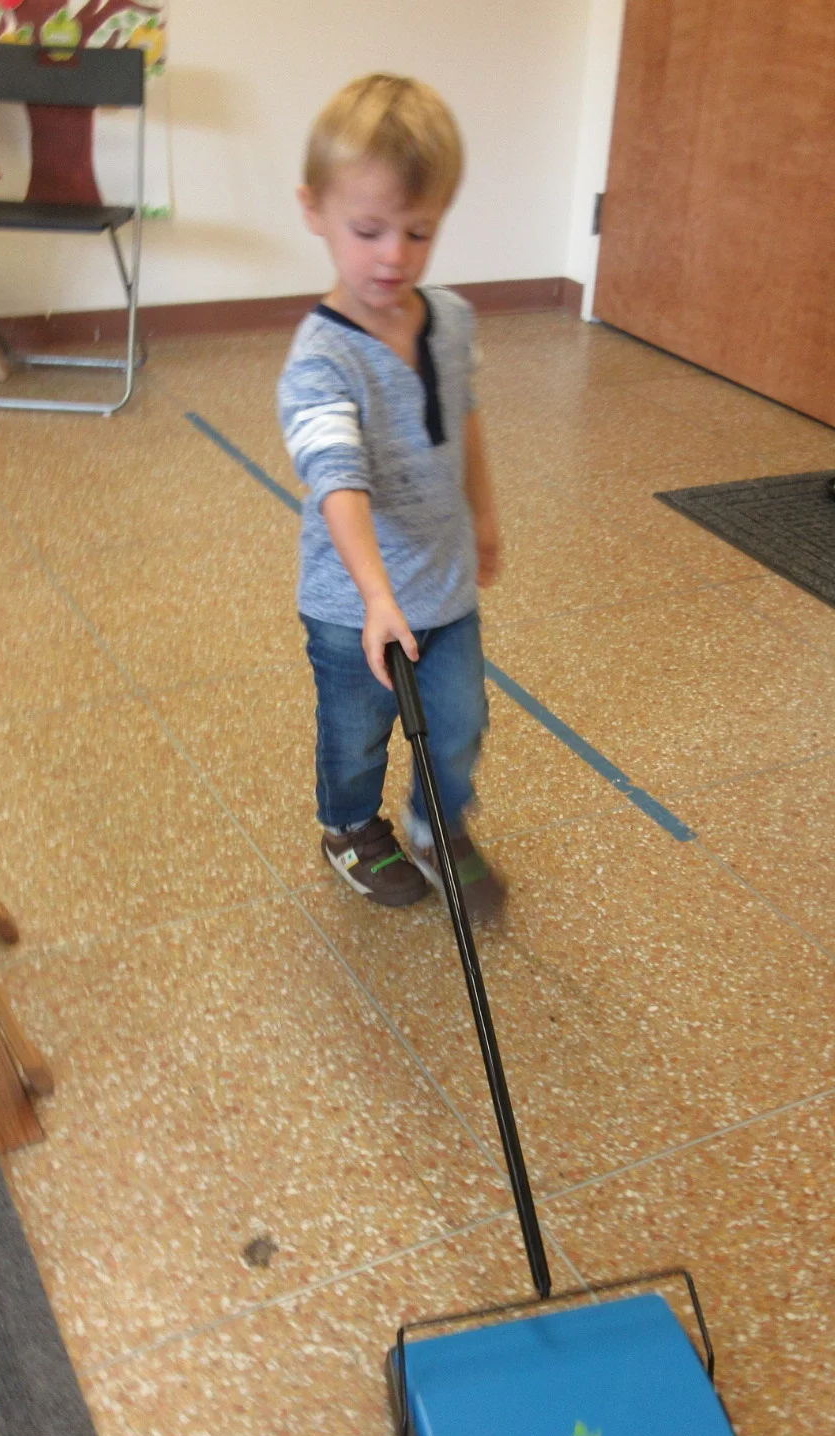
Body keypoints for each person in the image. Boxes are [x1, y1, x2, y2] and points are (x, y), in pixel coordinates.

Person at [278, 74, 506, 917]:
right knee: (357, 733)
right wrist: (375, 597)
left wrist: (483, 515)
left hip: (443, 585)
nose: (394, 257)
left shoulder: (450, 319)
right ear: (315, 210)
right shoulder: (320, 361)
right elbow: (338, 480)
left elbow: (466, 417)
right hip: (352, 603)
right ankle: (348, 828)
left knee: (459, 722)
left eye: (419, 231)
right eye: (367, 230)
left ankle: (434, 822)